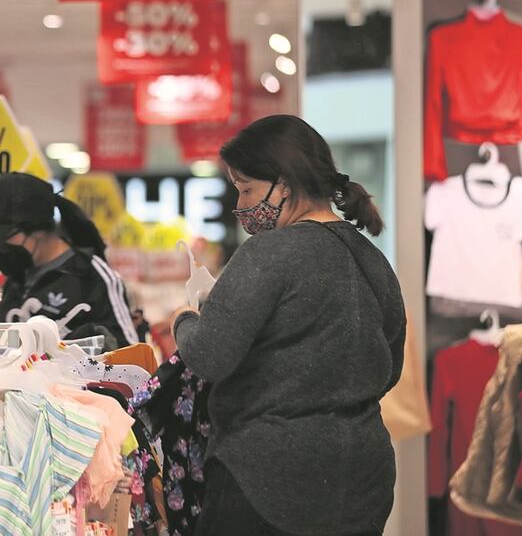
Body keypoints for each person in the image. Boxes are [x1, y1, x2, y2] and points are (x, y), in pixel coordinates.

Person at [171, 115, 405, 536]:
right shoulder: (371, 259)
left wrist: (185, 321)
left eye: (246, 190)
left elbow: (209, 355)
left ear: (284, 184)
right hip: (362, 483)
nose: (240, 206)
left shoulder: (270, 252)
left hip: (265, 481)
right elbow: (389, 366)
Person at [0, 172, 139, 351]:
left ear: (37, 230)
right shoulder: (18, 278)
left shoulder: (92, 277)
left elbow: (129, 352)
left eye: (4, 238)